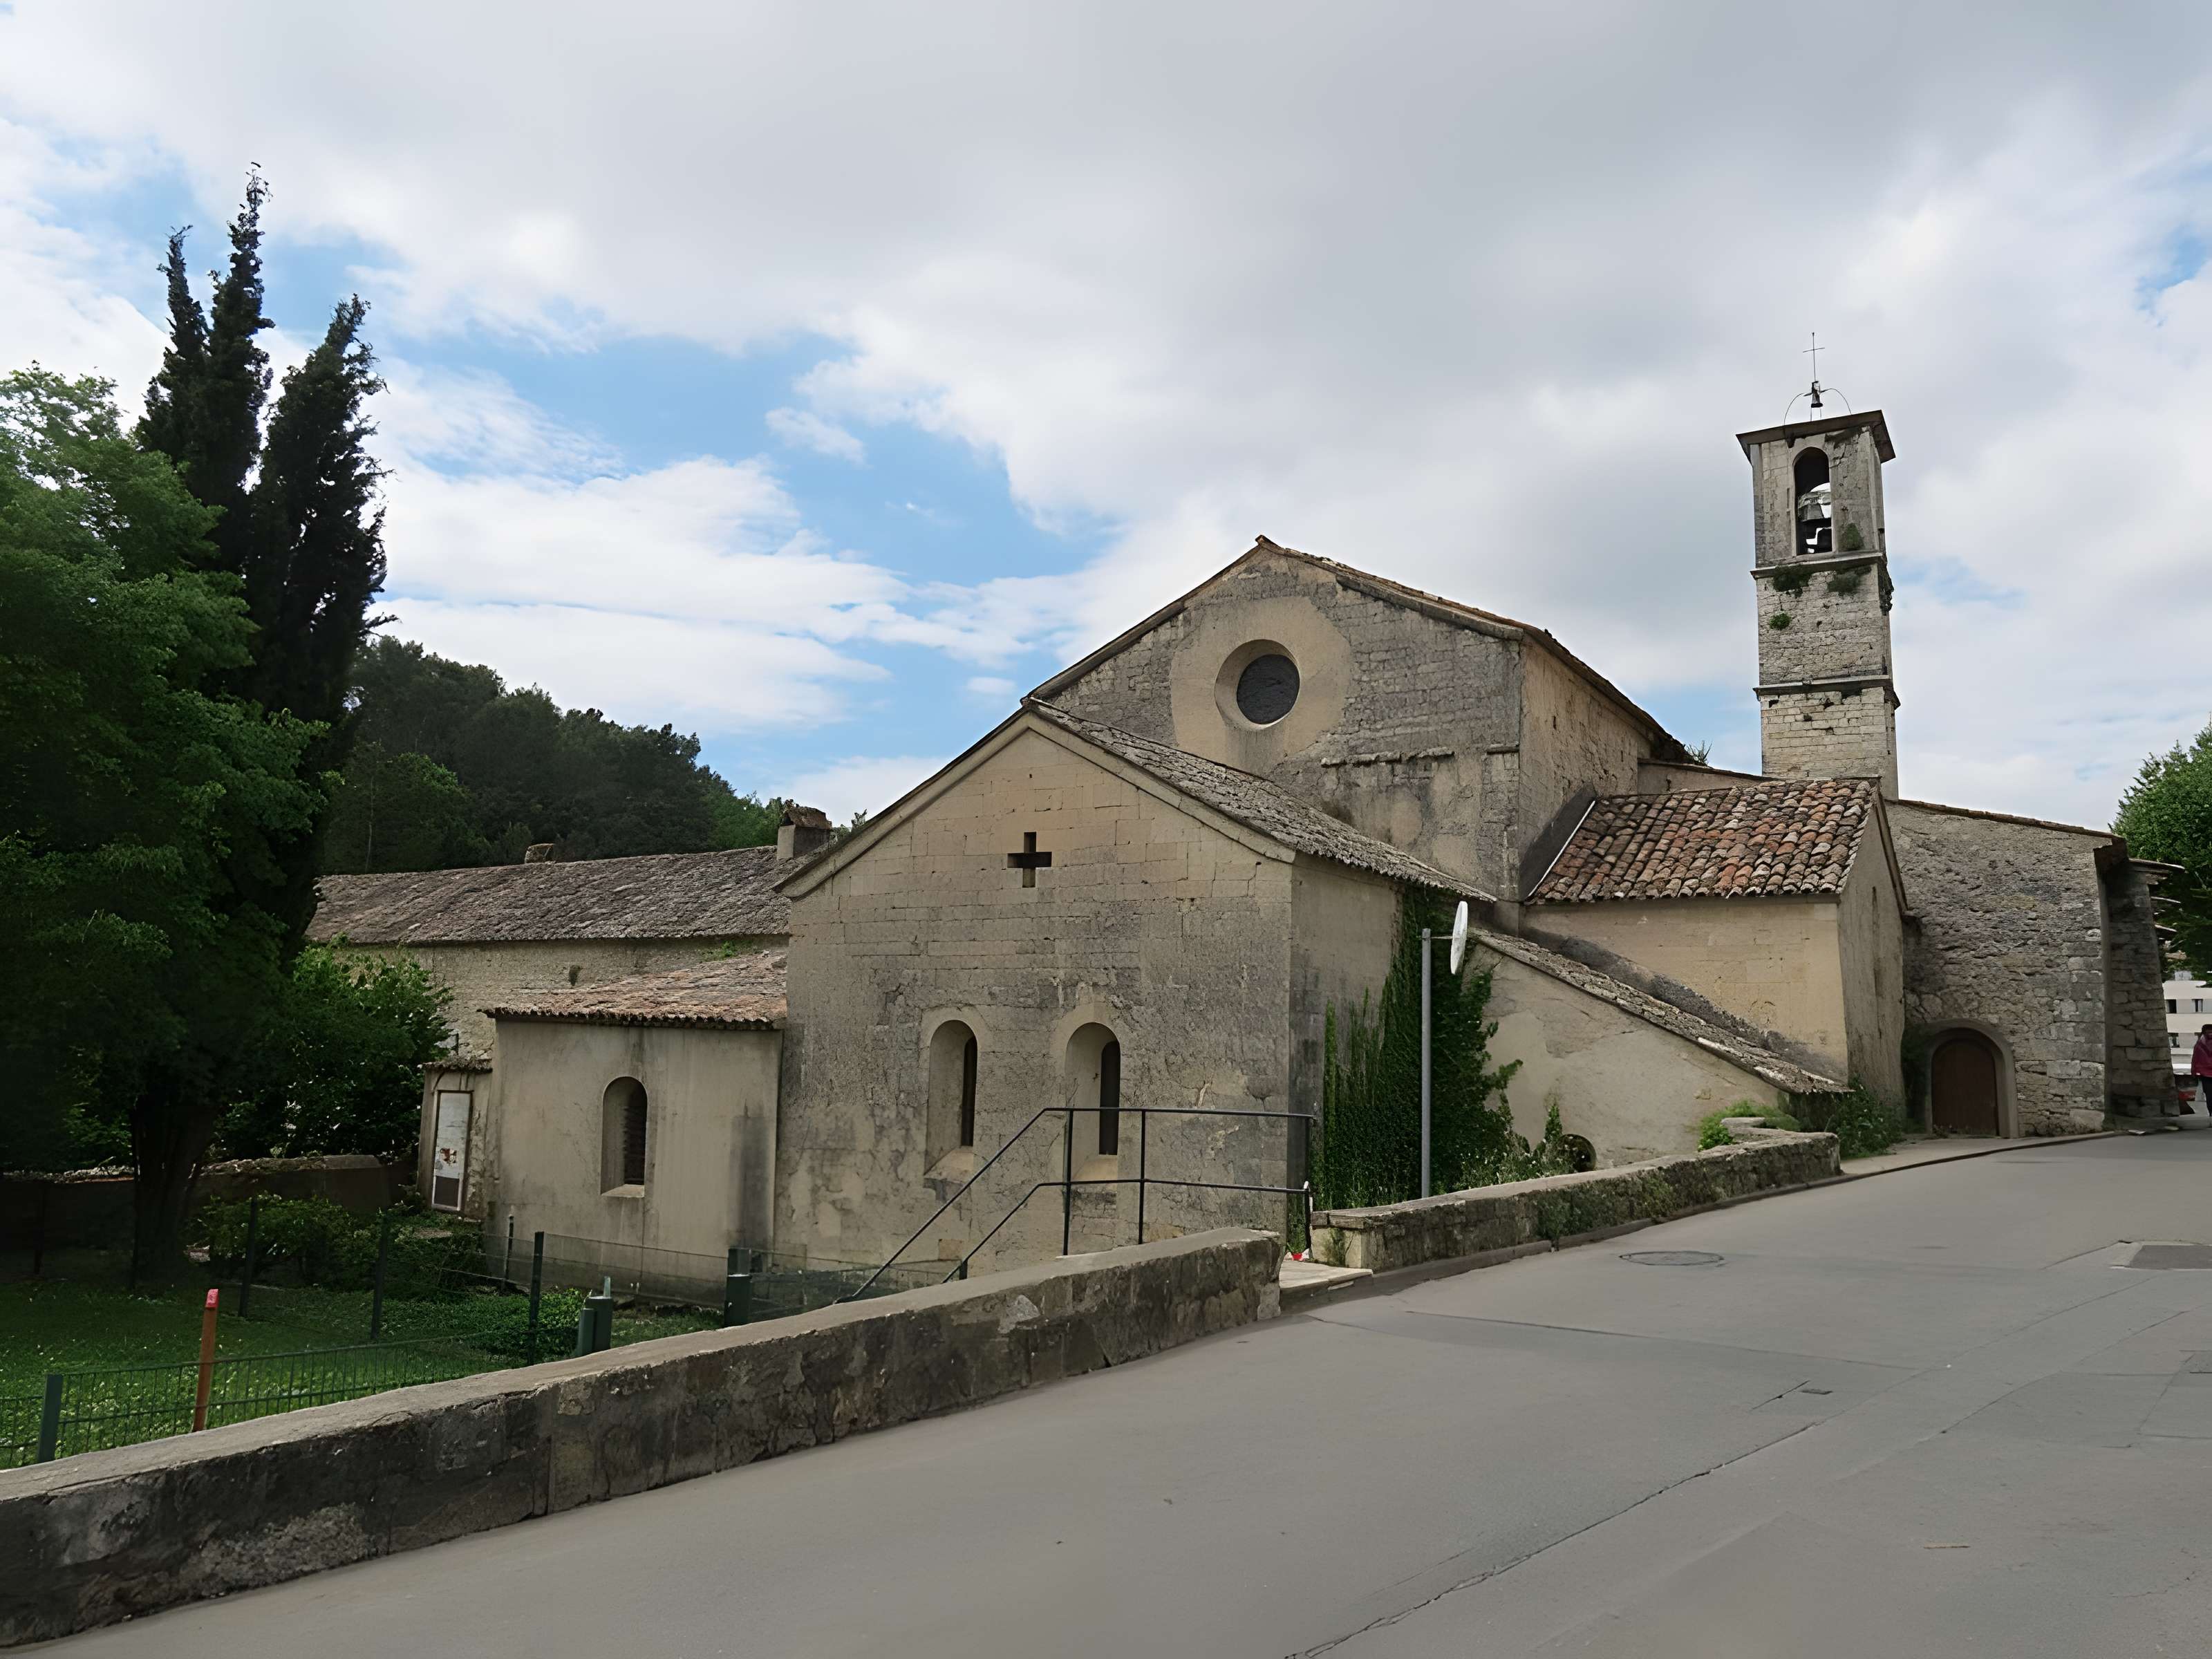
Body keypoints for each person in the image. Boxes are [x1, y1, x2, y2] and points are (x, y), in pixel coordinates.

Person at [2196, 1024, 2212, 1116]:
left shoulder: (2200, 1044)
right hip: (2205, 1074)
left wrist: (2194, 1071)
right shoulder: (2200, 1044)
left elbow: (2195, 1058)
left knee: (2209, 1095)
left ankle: (2211, 1112)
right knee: (2209, 1095)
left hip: (2205, 1074)